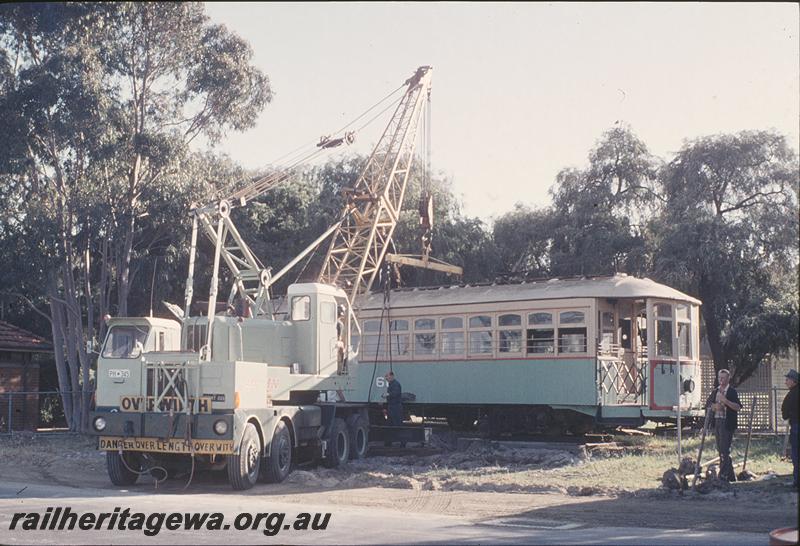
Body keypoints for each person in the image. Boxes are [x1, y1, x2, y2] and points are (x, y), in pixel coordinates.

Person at [705, 369, 742, 482]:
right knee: (720, 449)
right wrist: (714, 406)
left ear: (728, 378)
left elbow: (738, 407)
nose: (721, 380)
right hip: (717, 422)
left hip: (727, 423)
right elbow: (708, 404)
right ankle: (731, 476)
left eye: (723, 378)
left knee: (724, 450)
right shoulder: (715, 391)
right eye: (719, 377)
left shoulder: (731, 391)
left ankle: (723, 475)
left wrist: (726, 402)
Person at [781, 369, 799, 489]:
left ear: (793, 381)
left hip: (797, 425)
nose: (785, 382)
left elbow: (785, 412)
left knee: (796, 454)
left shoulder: (792, 394)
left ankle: (797, 481)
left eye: (787, 379)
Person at [382, 371, 405, 447]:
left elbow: (395, 393)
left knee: (398, 424)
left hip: (396, 407)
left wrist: (387, 395)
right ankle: (388, 442)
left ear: (392, 376)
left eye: (387, 376)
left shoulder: (396, 384)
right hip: (391, 407)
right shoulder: (391, 385)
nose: (386, 378)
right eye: (385, 376)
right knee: (390, 424)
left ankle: (403, 442)